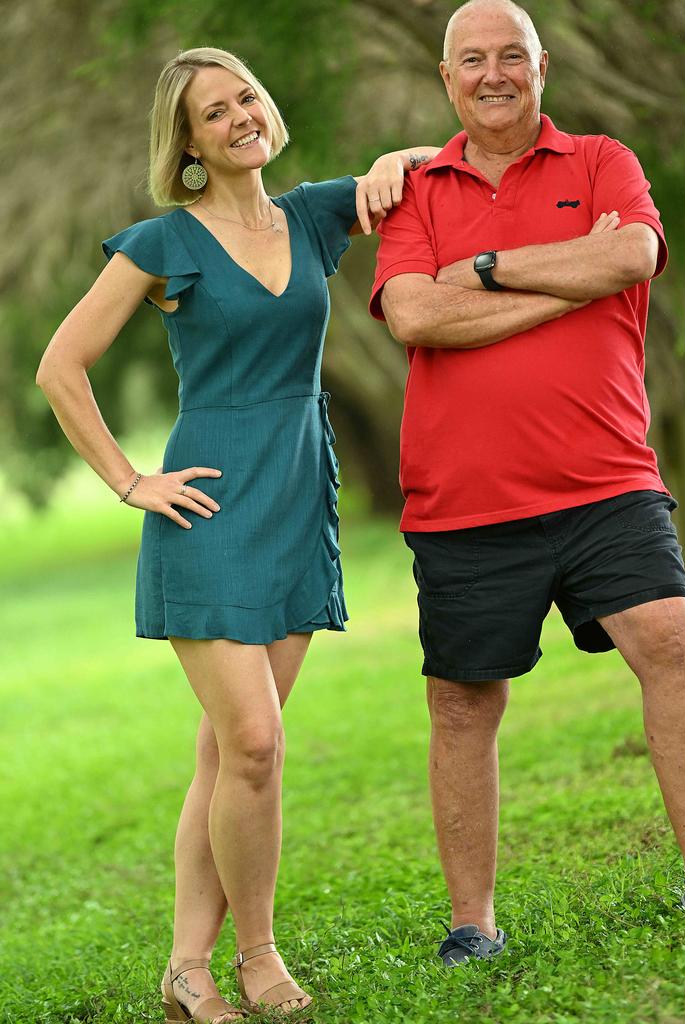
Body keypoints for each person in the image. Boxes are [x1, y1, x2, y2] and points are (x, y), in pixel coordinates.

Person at [36, 47, 438, 1022]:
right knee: (254, 741)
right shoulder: (162, 243)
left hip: (299, 498)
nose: (240, 118)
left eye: (248, 96)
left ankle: (186, 969)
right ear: (188, 146)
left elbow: (444, 167)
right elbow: (61, 367)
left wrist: (396, 164)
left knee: (229, 753)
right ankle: (257, 956)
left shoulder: (310, 215)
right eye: (214, 114)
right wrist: (131, 480)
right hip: (207, 506)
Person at [369, 0, 685, 967]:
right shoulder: (414, 189)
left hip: (606, 477)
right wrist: (560, 286)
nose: (493, 74)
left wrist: (485, 271)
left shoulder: (600, 161)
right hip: (464, 498)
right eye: (472, 60)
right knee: (462, 701)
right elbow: (413, 314)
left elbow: (634, 252)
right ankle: (474, 923)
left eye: (512, 56)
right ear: (446, 78)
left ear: (542, 67)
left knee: (671, 637)